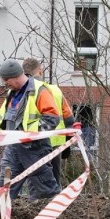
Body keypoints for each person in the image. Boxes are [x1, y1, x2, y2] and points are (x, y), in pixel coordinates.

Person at [0, 59, 62, 200]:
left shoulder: (39, 90)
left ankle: (54, 217)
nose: (5, 83)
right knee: (4, 185)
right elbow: (5, 118)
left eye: (7, 79)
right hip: (13, 147)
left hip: (35, 148)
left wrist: (33, 135)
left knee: (45, 188)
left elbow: (52, 118)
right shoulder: (11, 93)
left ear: (17, 75)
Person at [22, 57, 75, 185]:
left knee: (35, 181)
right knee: (54, 181)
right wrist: (68, 140)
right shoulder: (54, 90)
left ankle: (36, 203)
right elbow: (69, 119)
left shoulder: (20, 92)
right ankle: (55, 202)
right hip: (55, 143)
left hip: (30, 144)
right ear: (40, 71)